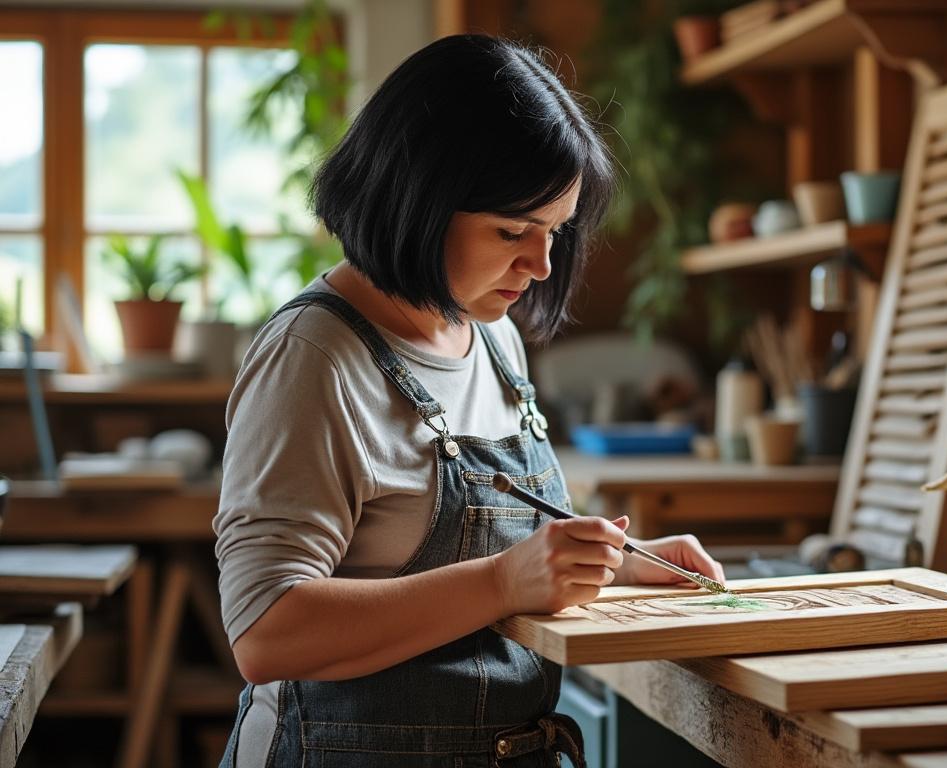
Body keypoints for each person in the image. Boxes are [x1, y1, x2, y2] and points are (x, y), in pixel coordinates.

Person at [213, 34, 725, 768]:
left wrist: (617, 563)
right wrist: (502, 582)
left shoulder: (494, 338)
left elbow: (507, 552)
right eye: (513, 230)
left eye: (555, 231)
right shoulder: (315, 357)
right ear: (417, 197)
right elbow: (266, 633)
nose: (542, 264)